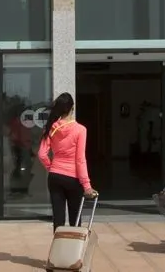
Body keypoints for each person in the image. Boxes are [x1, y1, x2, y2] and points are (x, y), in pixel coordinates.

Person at [37, 92, 97, 229]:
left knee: (58, 220)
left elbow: (41, 154)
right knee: (75, 220)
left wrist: (51, 167)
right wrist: (87, 186)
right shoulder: (80, 130)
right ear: (72, 108)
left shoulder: (51, 128)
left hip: (55, 177)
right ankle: (73, 249)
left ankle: (59, 249)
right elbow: (80, 159)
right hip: (73, 179)